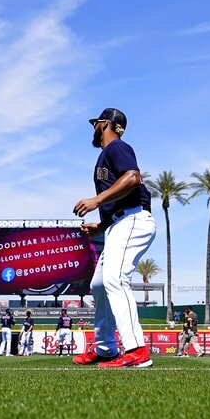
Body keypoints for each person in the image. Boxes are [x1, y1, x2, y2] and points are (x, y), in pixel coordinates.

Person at [72, 108, 156, 368]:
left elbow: (132, 177)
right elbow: (122, 192)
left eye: (95, 123)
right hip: (119, 222)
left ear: (105, 123)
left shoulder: (116, 147)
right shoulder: (105, 155)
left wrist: (96, 201)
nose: (93, 128)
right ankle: (106, 348)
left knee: (115, 279)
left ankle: (137, 349)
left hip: (133, 220)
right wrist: (102, 224)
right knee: (99, 284)